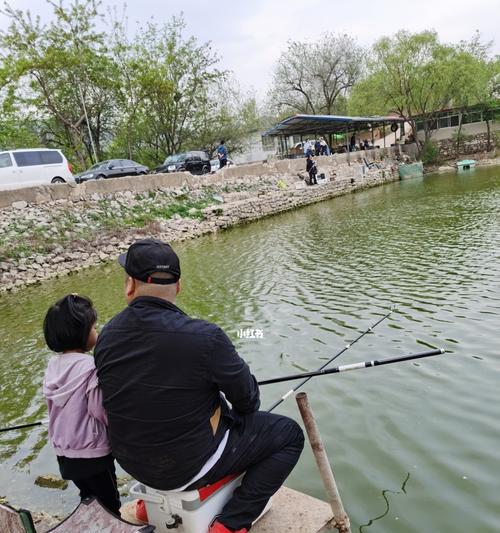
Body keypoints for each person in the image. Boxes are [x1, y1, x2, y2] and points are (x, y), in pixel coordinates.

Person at [94, 239, 304, 533]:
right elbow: (249, 403)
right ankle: (230, 523)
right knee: (289, 435)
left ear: (130, 285)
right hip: (184, 467)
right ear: (177, 288)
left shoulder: (106, 336)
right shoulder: (205, 337)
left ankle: (148, 505)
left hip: (132, 464)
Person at [42, 294, 120, 516]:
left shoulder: (52, 367)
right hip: (93, 453)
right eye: (94, 327)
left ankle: (90, 523)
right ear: (82, 333)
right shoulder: (91, 367)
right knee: (110, 503)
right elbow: (100, 409)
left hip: (64, 453)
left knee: (88, 498)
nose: (97, 332)